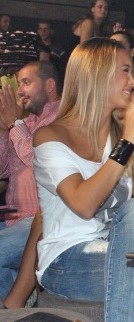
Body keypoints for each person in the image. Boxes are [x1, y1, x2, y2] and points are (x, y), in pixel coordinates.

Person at [33, 38, 134, 320]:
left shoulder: (127, 135)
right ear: (97, 75)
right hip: (66, 259)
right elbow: (84, 203)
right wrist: (127, 143)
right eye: (125, 70)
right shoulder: (51, 137)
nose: (133, 81)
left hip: (116, 246)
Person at [0, 61, 61, 301]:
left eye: (27, 82)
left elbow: (40, 161)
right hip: (12, 219)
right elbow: (3, 169)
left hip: (39, 222)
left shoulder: (61, 119)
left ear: (49, 85)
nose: (20, 91)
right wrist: (3, 130)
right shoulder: (25, 124)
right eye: (19, 84)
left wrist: (13, 124)